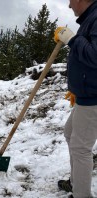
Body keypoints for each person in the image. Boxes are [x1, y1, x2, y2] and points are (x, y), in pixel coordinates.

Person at [54, 0, 97, 197]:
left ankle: (82, 194)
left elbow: (95, 56)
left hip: (93, 97)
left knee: (80, 148)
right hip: (86, 94)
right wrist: (76, 88)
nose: (70, 5)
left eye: (71, 0)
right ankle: (76, 182)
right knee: (70, 133)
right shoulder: (90, 18)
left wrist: (71, 38)